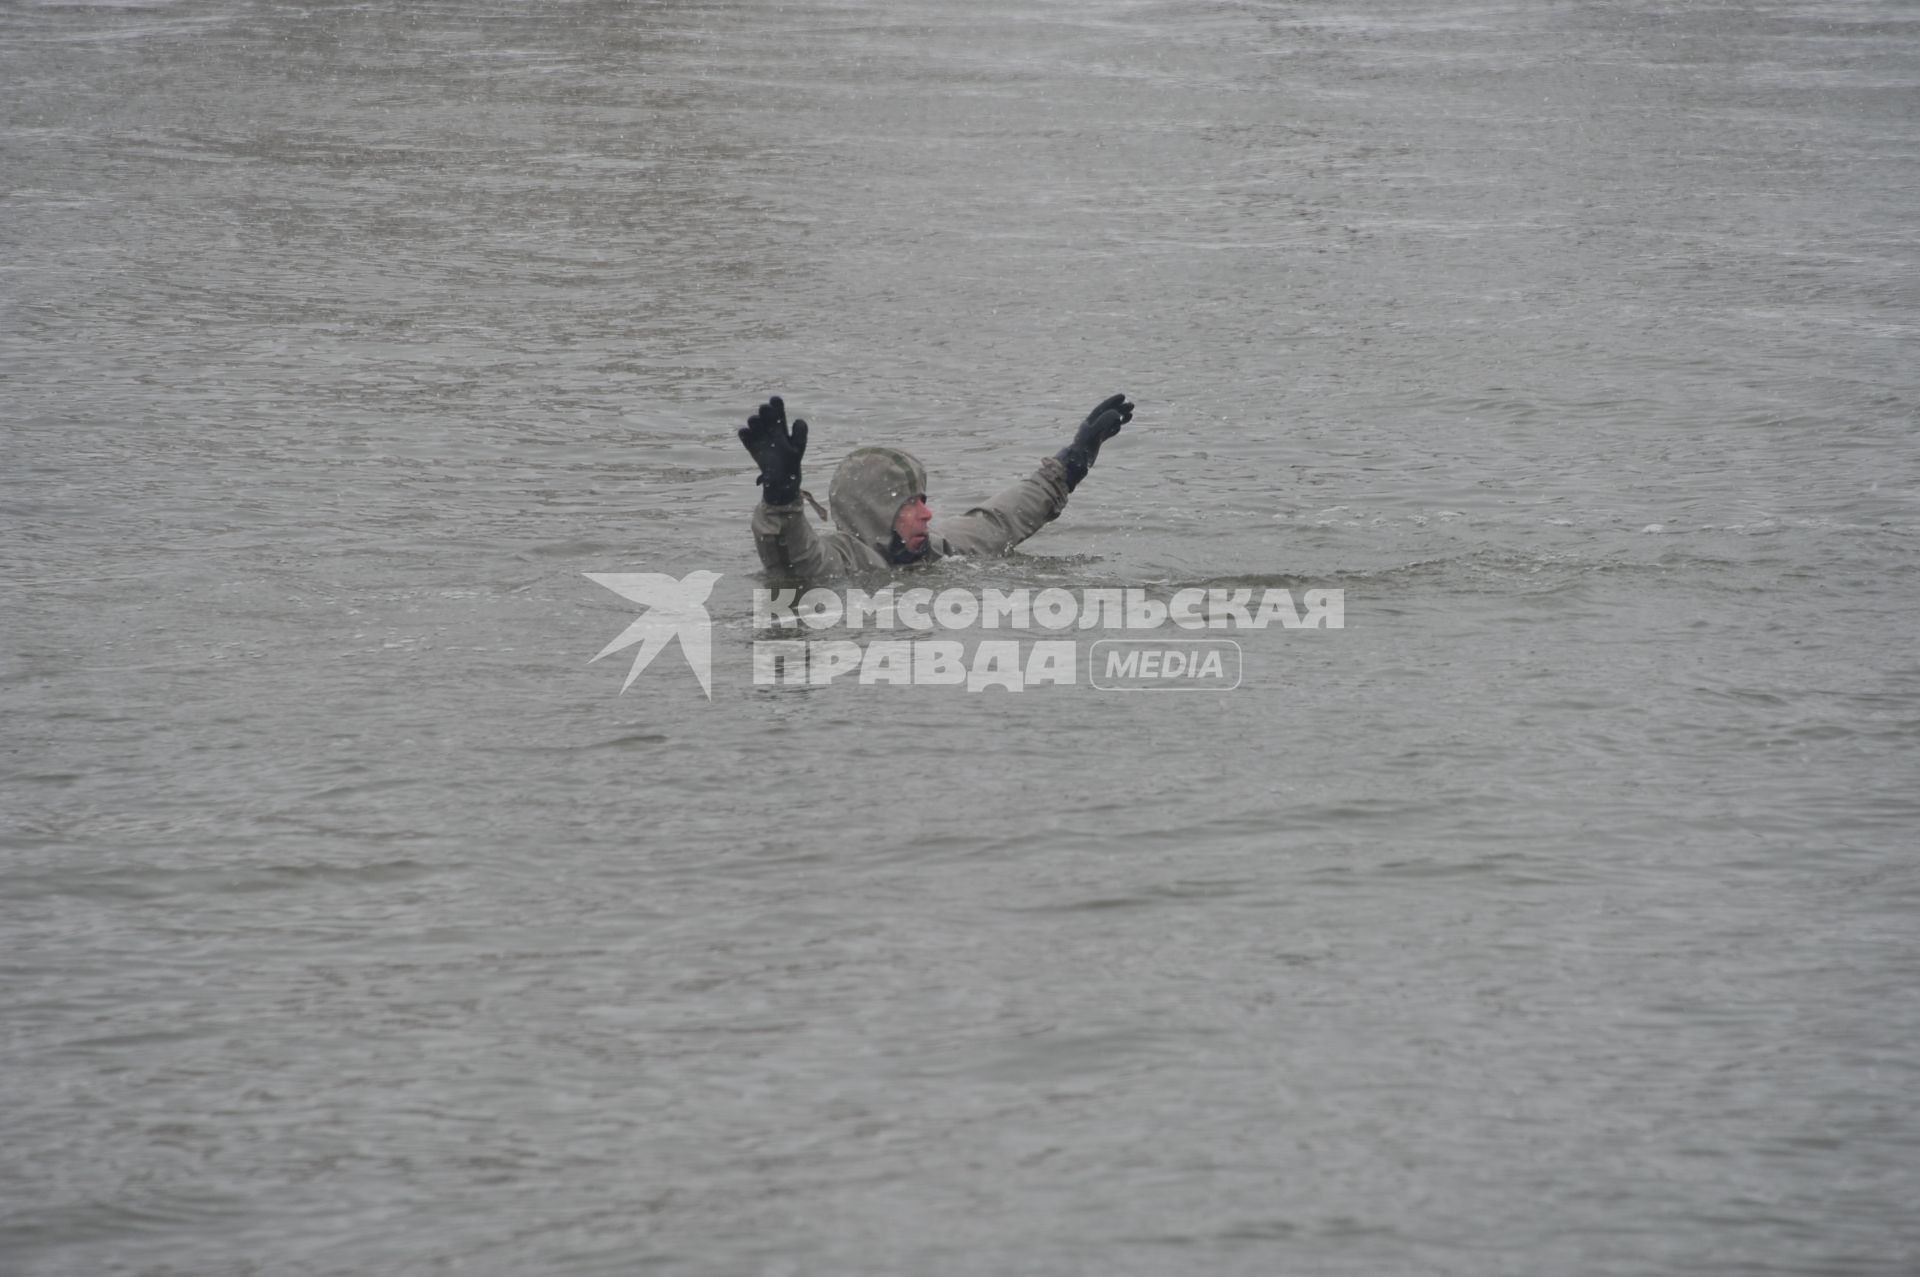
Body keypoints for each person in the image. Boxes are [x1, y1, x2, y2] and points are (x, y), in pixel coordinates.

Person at [739, 393, 1135, 579]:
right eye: (910, 503)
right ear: (877, 510)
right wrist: (781, 499)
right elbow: (793, 559)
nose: (927, 513)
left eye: (924, 500)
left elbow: (1002, 519)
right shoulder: (842, 562)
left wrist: (1073, 463)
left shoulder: (943, 551)